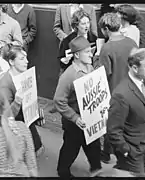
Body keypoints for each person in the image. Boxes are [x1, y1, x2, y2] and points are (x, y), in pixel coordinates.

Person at [54, 36, 102, 177]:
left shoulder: (90, 67)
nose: (90, 54)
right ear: (76, 55)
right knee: (71, 147)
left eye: (90, 51)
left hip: (89, 117)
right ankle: (62, 171)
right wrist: (74, 118)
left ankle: (96, 168)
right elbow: (58, 101)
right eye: (87, 52)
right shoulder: (68, 76)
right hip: (74, 121)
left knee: (94, 144)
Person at [93, 12, 138, 164]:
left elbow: (104, 74)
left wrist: (96, 59)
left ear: (106, 29)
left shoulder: (107, 48)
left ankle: (107, 154)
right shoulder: (132, 43)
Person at [107, 47, 145, 177]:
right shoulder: (121, 95)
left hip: (144, 146)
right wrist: (126, 151)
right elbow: (113, 130)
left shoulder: (144, 81)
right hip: (132, 153)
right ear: (134, 68)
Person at [0, 45, 44, 156]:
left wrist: (37, 112)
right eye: (22, 59)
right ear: (11, 61)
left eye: (26, 58)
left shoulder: (25, 75)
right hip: (15, 124)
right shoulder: (5, 84)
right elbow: (6, 115)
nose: (27, 61)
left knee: (37, 149)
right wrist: (17, 101)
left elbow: (30, 98)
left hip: (26, 119)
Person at [58, 8, 97, 74]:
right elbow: (61, 62)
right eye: (83, 24)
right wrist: (65, 60)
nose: (87, 26)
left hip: (89, 72)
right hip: (74, 73)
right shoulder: (67, 41)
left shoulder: (93, 38)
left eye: (88, 23)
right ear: (76, 25)